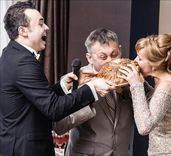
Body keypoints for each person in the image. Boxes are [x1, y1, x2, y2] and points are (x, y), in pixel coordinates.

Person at [0, 2, 114, 156]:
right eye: (41, 24)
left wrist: (63, 86)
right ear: (23, 30)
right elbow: (53, 109)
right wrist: (93, 87)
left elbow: (36, 99)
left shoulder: (12, 54)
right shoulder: (23, 62)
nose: (46, 27)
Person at [53, 28, 138, 156]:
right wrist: (90, 94)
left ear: (120, 49)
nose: (110, 60)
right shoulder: (73, 80)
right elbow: (60, 127)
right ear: (90, 57)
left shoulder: (131, 75)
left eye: (114, 54)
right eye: (103, 57)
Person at [119, 34, 171, 155]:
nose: (135, 61)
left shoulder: (167, 85)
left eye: (140, 58)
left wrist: (136, 86)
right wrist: (140, 83)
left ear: (155, 65)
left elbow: (144, 127)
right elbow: (158, 102)